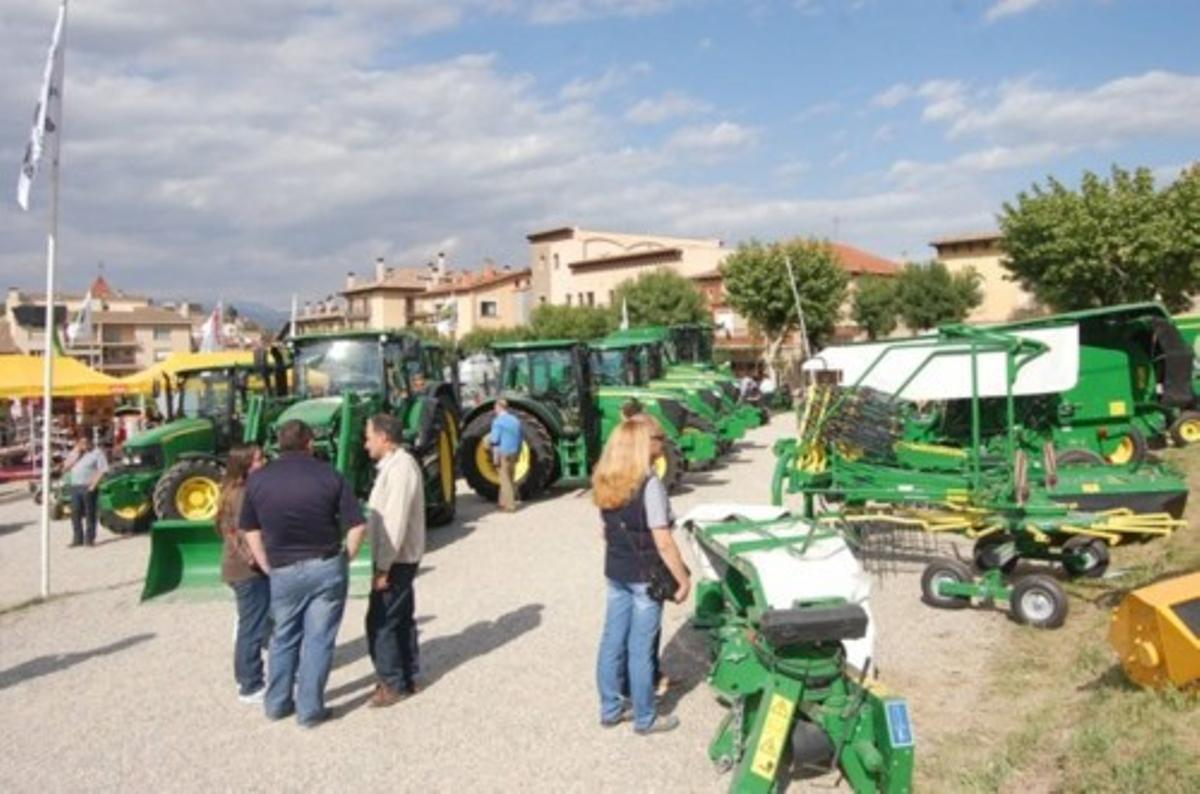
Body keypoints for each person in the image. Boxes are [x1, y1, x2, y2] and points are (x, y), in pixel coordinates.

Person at [241, 420, 365, 728]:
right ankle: (309, 710)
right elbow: (357, 525)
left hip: (282, 568)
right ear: (309, 442)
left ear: (278, 444)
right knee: (319, 639)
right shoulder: (329, 475)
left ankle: (277, 703)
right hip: (325, 564)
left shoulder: (259, 480)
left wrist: (265, 563)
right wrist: (346, 558)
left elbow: (250, 529)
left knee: (283, 636)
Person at [593, 416, 690, 735]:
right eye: (659, 437)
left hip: (616, 572)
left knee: (612, 640)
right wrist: (683, 579)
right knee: (640, 648)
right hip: (644, 577)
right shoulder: (649, 484)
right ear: (644, 444)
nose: (663, 442)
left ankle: (610, 709)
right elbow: (663, 540)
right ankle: (645, 717)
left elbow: (604, 531)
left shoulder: (606, 478)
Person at [362, 414, 426, 707]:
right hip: (399, 556)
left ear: (384, 437)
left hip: (396, 558)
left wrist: (383, 566)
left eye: (369, 437)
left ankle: (392, 683)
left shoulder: (400, 469)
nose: (366, 444)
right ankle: (408, 676)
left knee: (381, 621)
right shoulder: (395, 466)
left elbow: (394, 521)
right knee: (400, 618)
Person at [217, 445, 269, 704]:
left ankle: (252, 674)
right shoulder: (242, 495)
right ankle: (250, 683)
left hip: (239, 567)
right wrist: (260, 561)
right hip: (247, 570)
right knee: (252, 627)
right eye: (258, 460)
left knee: (254, 622)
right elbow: (243, 533)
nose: (264, 462)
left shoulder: (230, 491)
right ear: (245, 465)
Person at [61, 430, 108, 547]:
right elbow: (65, 467)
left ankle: (89, 539)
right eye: (81, 443)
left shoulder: (97, 453)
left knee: (90, 513)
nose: (84, 445)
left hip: (88, 486)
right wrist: (76, 454)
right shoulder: (75, 452)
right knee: (75, 513)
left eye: (86, 442)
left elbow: (102, 470)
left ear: (91, 442)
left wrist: (93, 485)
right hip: (75, 486)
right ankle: (77, 539)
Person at [488, 399, 523, 512]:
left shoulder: (498, 421)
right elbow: (521, 438)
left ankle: (510, 506)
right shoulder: (515, 420)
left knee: (505, 480)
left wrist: (488, 441)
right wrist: (518, 452)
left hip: (503, 452)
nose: (494, 410)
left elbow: (494, 439)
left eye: (495, 408)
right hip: (514, 451)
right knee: (510, 477)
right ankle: (502, 503)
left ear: (498, 407)